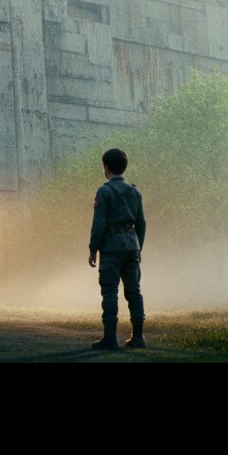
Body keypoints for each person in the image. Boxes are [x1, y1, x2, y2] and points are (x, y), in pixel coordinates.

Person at [87, 147, 146, 350]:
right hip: (132, 245)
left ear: (106, 168)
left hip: (111, 247)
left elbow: (99, 224)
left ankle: (110, 339)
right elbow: (141, 222)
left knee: (110, 291)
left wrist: (93, 248)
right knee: (134, 291)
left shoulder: (104, 192)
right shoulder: (134, 191)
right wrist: (139, 247)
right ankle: (138, 337)